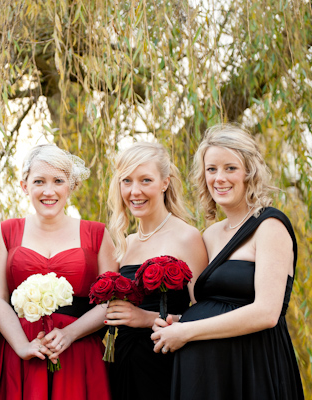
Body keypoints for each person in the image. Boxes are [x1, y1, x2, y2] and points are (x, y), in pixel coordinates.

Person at [151, 123, 304, 399]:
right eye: (212, 169)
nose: (219, 178)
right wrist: (179, 321)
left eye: (230, 168)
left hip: (253, 366)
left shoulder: (270, 226)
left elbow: (266, 313)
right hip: (205, 374)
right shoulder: (209, 235)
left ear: (249, 172)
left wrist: (188, 331)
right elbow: (209, 305)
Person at [0, 144, 117, 400]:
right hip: (19, 355)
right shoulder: (7, 231)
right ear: (25, 186)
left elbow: (110, 302)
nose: (49, 191)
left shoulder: (97, 234)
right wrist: (22, 346)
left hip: (78, 354)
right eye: (39, 181)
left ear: (71, 185)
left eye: (58, 181)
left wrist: (70, 333)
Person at [105, 142, 208, 400]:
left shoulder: (187, 237)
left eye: (145, 180)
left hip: (163, 365)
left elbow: (205, 315)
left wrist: (146, 318)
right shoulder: (124, 244)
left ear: (165, 183)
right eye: (126, 181)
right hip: (119, 365)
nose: (134, 191)